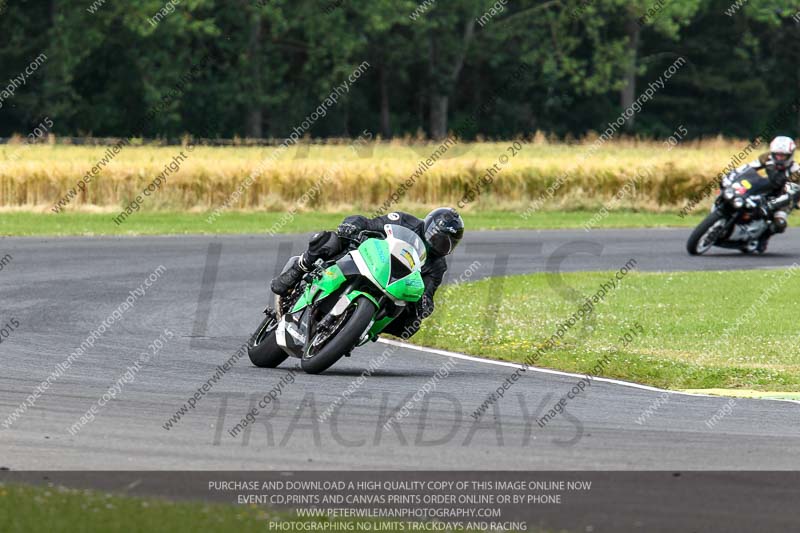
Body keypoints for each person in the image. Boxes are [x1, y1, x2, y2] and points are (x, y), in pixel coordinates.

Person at [270, 208, 465, 337]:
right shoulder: (405, 220)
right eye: (438, 237)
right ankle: (299, 269)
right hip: (371, 258)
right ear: (429, 226)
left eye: (448, 243)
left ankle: (362, 327)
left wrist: (425, 304)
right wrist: (353, 226)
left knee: (410, 324)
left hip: (393, 285)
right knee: (331, 240)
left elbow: (428, 293)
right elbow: (371, 223)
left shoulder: (438, 266)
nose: (440, 245)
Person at [736, 136, 800, 252]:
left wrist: (770, 205)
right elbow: (749, 167)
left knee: (779, 223)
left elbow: (788, 195)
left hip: (786, 197)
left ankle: (763, 238)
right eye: (777, 155)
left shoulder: (795, 172)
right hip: (768, 186)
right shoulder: (767, 158)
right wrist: (735, 174)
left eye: (783, 155)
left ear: (790, 155)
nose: (779, 158)